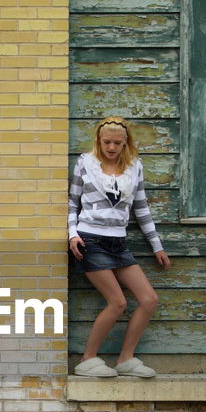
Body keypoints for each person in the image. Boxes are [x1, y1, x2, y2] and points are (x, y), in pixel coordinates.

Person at [68, 118, 170, 378]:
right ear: (98, 140)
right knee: (117, 302)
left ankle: (125, 359)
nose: (111, 147)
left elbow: (142, 208)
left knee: (148, 299)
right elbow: (72, 203)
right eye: (106, 142)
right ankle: (87, 359)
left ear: (125, 142)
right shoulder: (85, 164)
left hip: (118, 242)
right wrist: (72, 235)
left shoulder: (134, 167)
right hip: (90, 240)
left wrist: (156, 246)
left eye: (117, 142)